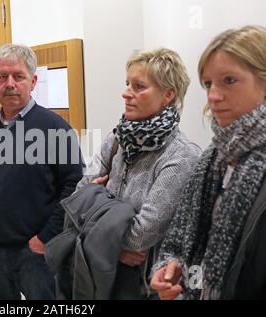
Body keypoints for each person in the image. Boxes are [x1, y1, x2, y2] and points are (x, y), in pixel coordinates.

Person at [0, 43, 84, 300]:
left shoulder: (56, 129)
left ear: (33, 81)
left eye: (18, 76)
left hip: (36, 253)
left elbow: (74, 187)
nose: (10, 83)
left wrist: (48, 235)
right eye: (2, 77)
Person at [74, 48, 201, 299]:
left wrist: (97, 199)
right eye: (127, 84)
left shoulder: (182, 155)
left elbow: (140, 236)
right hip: (99, 271)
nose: (126, 93)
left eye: (139, 86)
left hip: (141, 285)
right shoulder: (117, 138)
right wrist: (115, 247)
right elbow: (78, 196)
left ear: (168, 94)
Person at [150, 25, 266, 300]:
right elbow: (180, 239)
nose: (213, 96)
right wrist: (170, 269)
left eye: (229, 80)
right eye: (208, 84)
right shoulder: (214, 157)